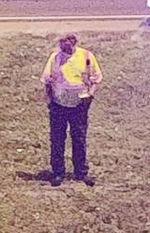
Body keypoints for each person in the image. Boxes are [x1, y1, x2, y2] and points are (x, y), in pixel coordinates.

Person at [41, 33, 102, 188]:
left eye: (65, 42)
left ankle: (81, 172)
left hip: (79, 104)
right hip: (58, 103)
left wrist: (90, 94)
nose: (62, 45)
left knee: (79, 138)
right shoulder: (55, 58)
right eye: (61, 42)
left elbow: (96, 77)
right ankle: (58, 172)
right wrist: (49, 100)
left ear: (73, 42)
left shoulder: (86, 56)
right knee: (57, 139)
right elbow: (47, 79)